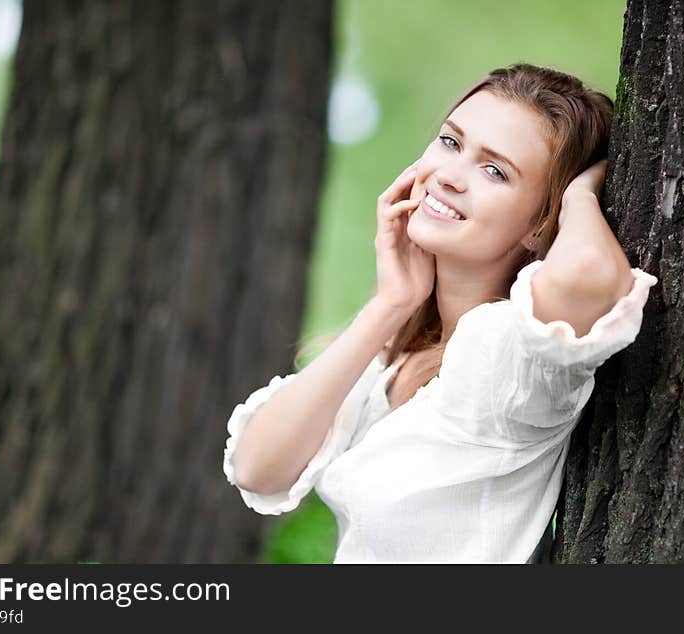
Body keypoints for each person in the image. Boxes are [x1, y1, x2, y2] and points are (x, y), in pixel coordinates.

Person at [222, 63, 659, 563]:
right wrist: (391, 305)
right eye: (451, 142)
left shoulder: (511, 361)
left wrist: (583, 193)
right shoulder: (400, 351)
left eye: (494, 170)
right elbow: (259, 467)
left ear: (541, 224)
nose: (449, 177)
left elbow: (587, 272)